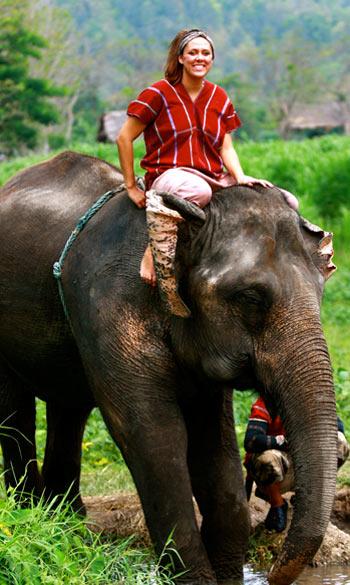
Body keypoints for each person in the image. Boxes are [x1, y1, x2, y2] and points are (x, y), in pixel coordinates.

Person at [116, 28, 299, 318]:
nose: (200, 58)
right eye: (193, 52)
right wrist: (130, 186)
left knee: (285, 200)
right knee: (197, 192)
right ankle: (154, 251)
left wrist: (239, 177)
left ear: (212, 59)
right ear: (180, 58)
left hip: (213, 176)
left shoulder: (218, 96)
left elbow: (226, 147)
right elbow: (124, 138)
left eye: (206, 53)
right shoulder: (157, 94)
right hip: (171, 176)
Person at [244, 395, 350, 532]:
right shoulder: (266, 403)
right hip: (273, 470)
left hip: (305, 465)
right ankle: (277, 504)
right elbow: (251, 440)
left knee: (340, 441)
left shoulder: (310, 400)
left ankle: (306, 493)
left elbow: (339, 426)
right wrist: (284, 441)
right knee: (268, 458)